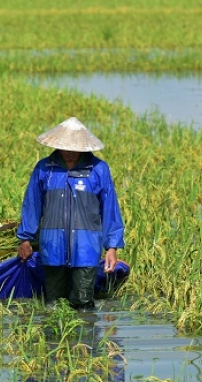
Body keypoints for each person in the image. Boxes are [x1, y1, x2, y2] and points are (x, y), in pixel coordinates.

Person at [16, 117, 125, 311]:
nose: (70, 154)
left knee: (83, 304)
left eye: (75, 149)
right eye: (66, 148)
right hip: (52, 247)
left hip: (86, 248)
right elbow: (32, 204)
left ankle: (84, 340)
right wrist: (25, 238)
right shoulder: (44, 169)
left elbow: (110, 209)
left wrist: (112, 247)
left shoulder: (98, 170)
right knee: (53, 306)